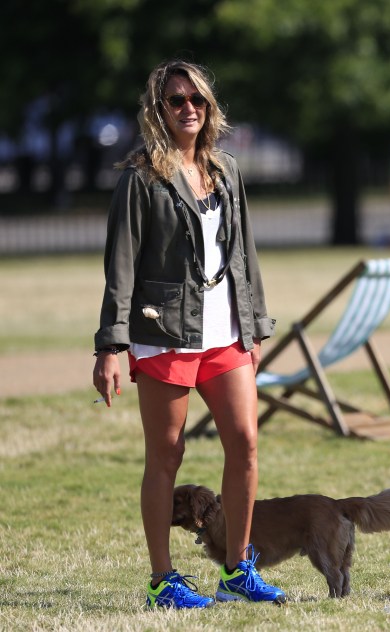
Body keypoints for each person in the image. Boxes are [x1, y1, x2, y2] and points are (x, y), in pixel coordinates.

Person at [92, 59, 286, 609]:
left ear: (209, 106)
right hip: (165, 333)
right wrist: (111, 345)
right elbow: (121, 264)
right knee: (166, 457)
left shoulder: (225, 169)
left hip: (226, 333)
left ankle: (236, 569)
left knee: (245, 444)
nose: (188, 109)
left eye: (196, 99)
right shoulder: (139, 177)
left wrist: (255, 325)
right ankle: (163, 580)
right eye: (176, 100)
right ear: (158, 109)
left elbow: (244, 252)